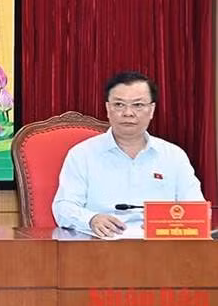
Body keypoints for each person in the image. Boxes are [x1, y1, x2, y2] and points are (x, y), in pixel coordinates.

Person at [52, 71, 205, 237]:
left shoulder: (174, 156)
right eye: (119, 105)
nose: (128, 113)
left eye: (138, 105)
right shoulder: (82, 154)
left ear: (152, 110)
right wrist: (91, 219)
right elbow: (64, 207)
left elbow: (195, 208)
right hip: (98, 247)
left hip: (161, 248)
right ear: (107, 109)